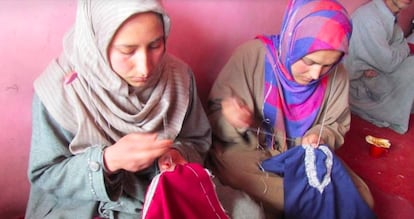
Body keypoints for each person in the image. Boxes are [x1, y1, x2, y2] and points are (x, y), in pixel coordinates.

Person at [25, 0, 211, 218]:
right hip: (80, 204)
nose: (145, 67)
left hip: (160, 191)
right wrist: (107, 161)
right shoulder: (61, 91)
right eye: (127, 51)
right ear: (97, 43)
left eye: (155, 45)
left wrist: (177, 153)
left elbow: (197, 140)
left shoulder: (178, 77)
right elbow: (45, 173)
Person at [206, 0, 374, 217]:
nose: (316, 74)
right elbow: (213, 117)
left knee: (360, 197)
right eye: (309, 60)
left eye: (328, 64)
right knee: (292, 197)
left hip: (301, 154)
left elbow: (335, 123)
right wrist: (234, 121)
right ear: (291, 40)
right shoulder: (251, 56)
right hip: (250, 150)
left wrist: (318, 136)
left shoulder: (338, 75)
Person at [344, 0, 414, 134]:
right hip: (357, 86)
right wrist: (400, 50)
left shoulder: (389, 15)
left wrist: (399, 50)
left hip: (376, 73)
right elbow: (389, 62)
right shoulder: (369, 17)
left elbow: (401, 45)